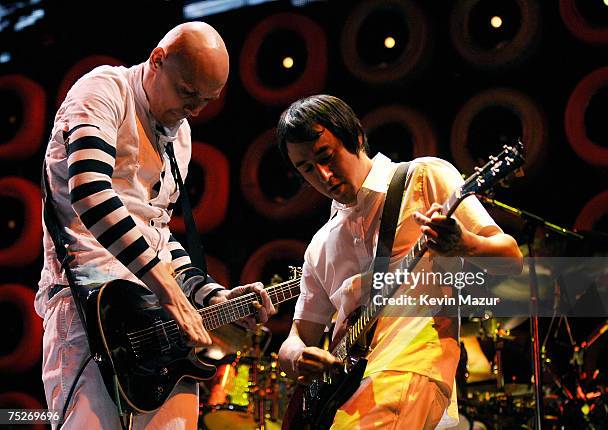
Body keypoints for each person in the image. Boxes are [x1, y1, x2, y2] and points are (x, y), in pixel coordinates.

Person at [36, 22, 275, 429]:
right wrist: (171, 294)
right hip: (89, 308)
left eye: (206, 101)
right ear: (157, 60)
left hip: (157, 320)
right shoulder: (103, 90)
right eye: (187, 94)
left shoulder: (180, 137)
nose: (194, 110)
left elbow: (159, 234)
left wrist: (209, 294)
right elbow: (90, 192)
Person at [276, 95, 523, 429]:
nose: (322, 174)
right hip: (345, 394)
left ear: (357, 138)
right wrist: (297, 356)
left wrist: (466, 243)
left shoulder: (422, 178)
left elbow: (510, 258)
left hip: (412, 366)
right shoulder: (320, 245)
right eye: (306, 168)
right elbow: (297, 337)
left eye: (326, 156)